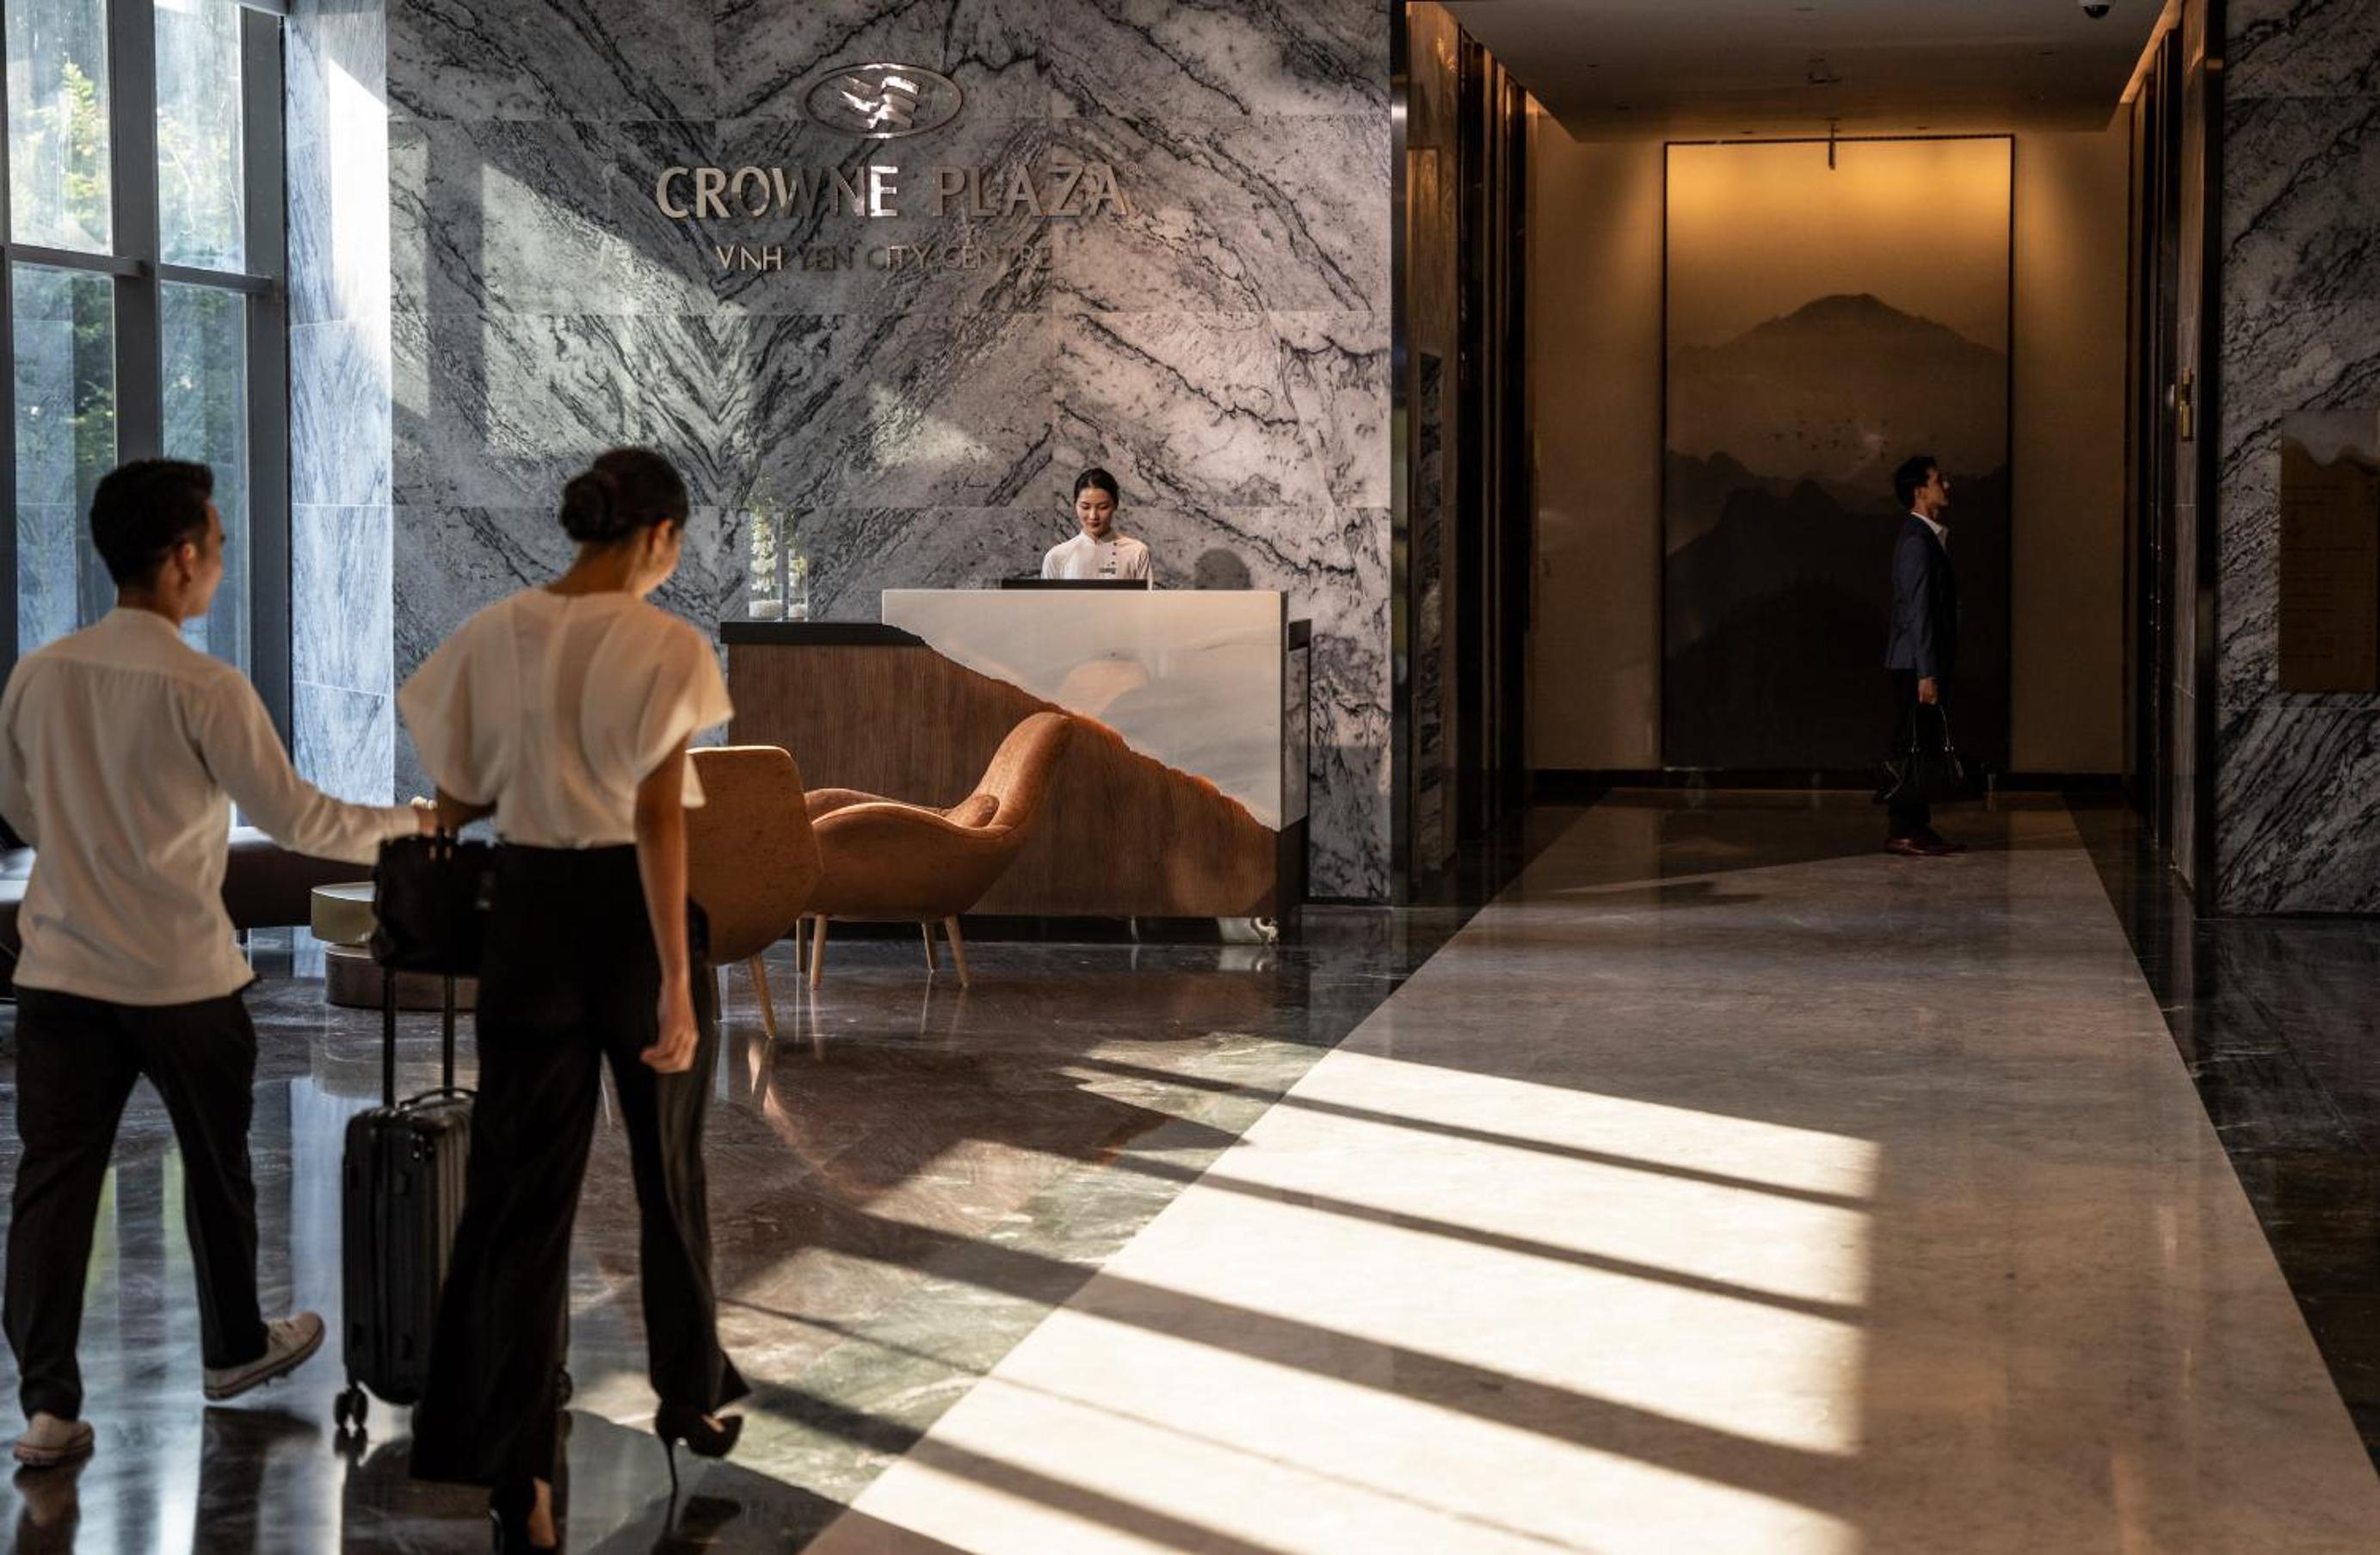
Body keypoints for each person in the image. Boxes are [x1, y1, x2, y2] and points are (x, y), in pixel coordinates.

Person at [0, 460, 432, 1471]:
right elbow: (299, 818)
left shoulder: (39, 673)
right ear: (184, 556)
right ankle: (235, 1349)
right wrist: (411, 825)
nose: (222, 563)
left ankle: (48, 1408)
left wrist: (92, 854)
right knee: (216, 1165)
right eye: (220, 546)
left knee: (54, 1184)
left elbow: (20, 810)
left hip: (60, 970)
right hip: (181, 977)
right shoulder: (206, 687)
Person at [402, 448, 745, 1552]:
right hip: (629, 924)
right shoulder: (667, 644)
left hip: (527, 918)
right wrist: (677, 982)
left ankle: (519, 1473)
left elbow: (455, 797)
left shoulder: (496, 631)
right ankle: (688, 1393)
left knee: (517, 1202)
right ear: (658, 535)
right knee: (668, 1171)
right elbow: (658, 820)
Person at [1881, 454, 1967, 857]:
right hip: (1915, 663)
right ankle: (1903, 828)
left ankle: (1917, 825)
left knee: (1922, 742)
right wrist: (1926, 672)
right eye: (1938, 480)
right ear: (1919, 491)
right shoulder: (1917, 541)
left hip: (1920, 661)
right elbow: (1919, 612)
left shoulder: (1926, 537)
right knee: (1911, 745)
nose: (1946, 485)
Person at [1040, 467, 1153, 582]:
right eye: (1085, 507)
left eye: (1103, 507)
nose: (1093, 516)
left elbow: (1146, 593)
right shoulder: (1056, 557)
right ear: (1075, 505)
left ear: (1115, 505)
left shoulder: (1137, 552)